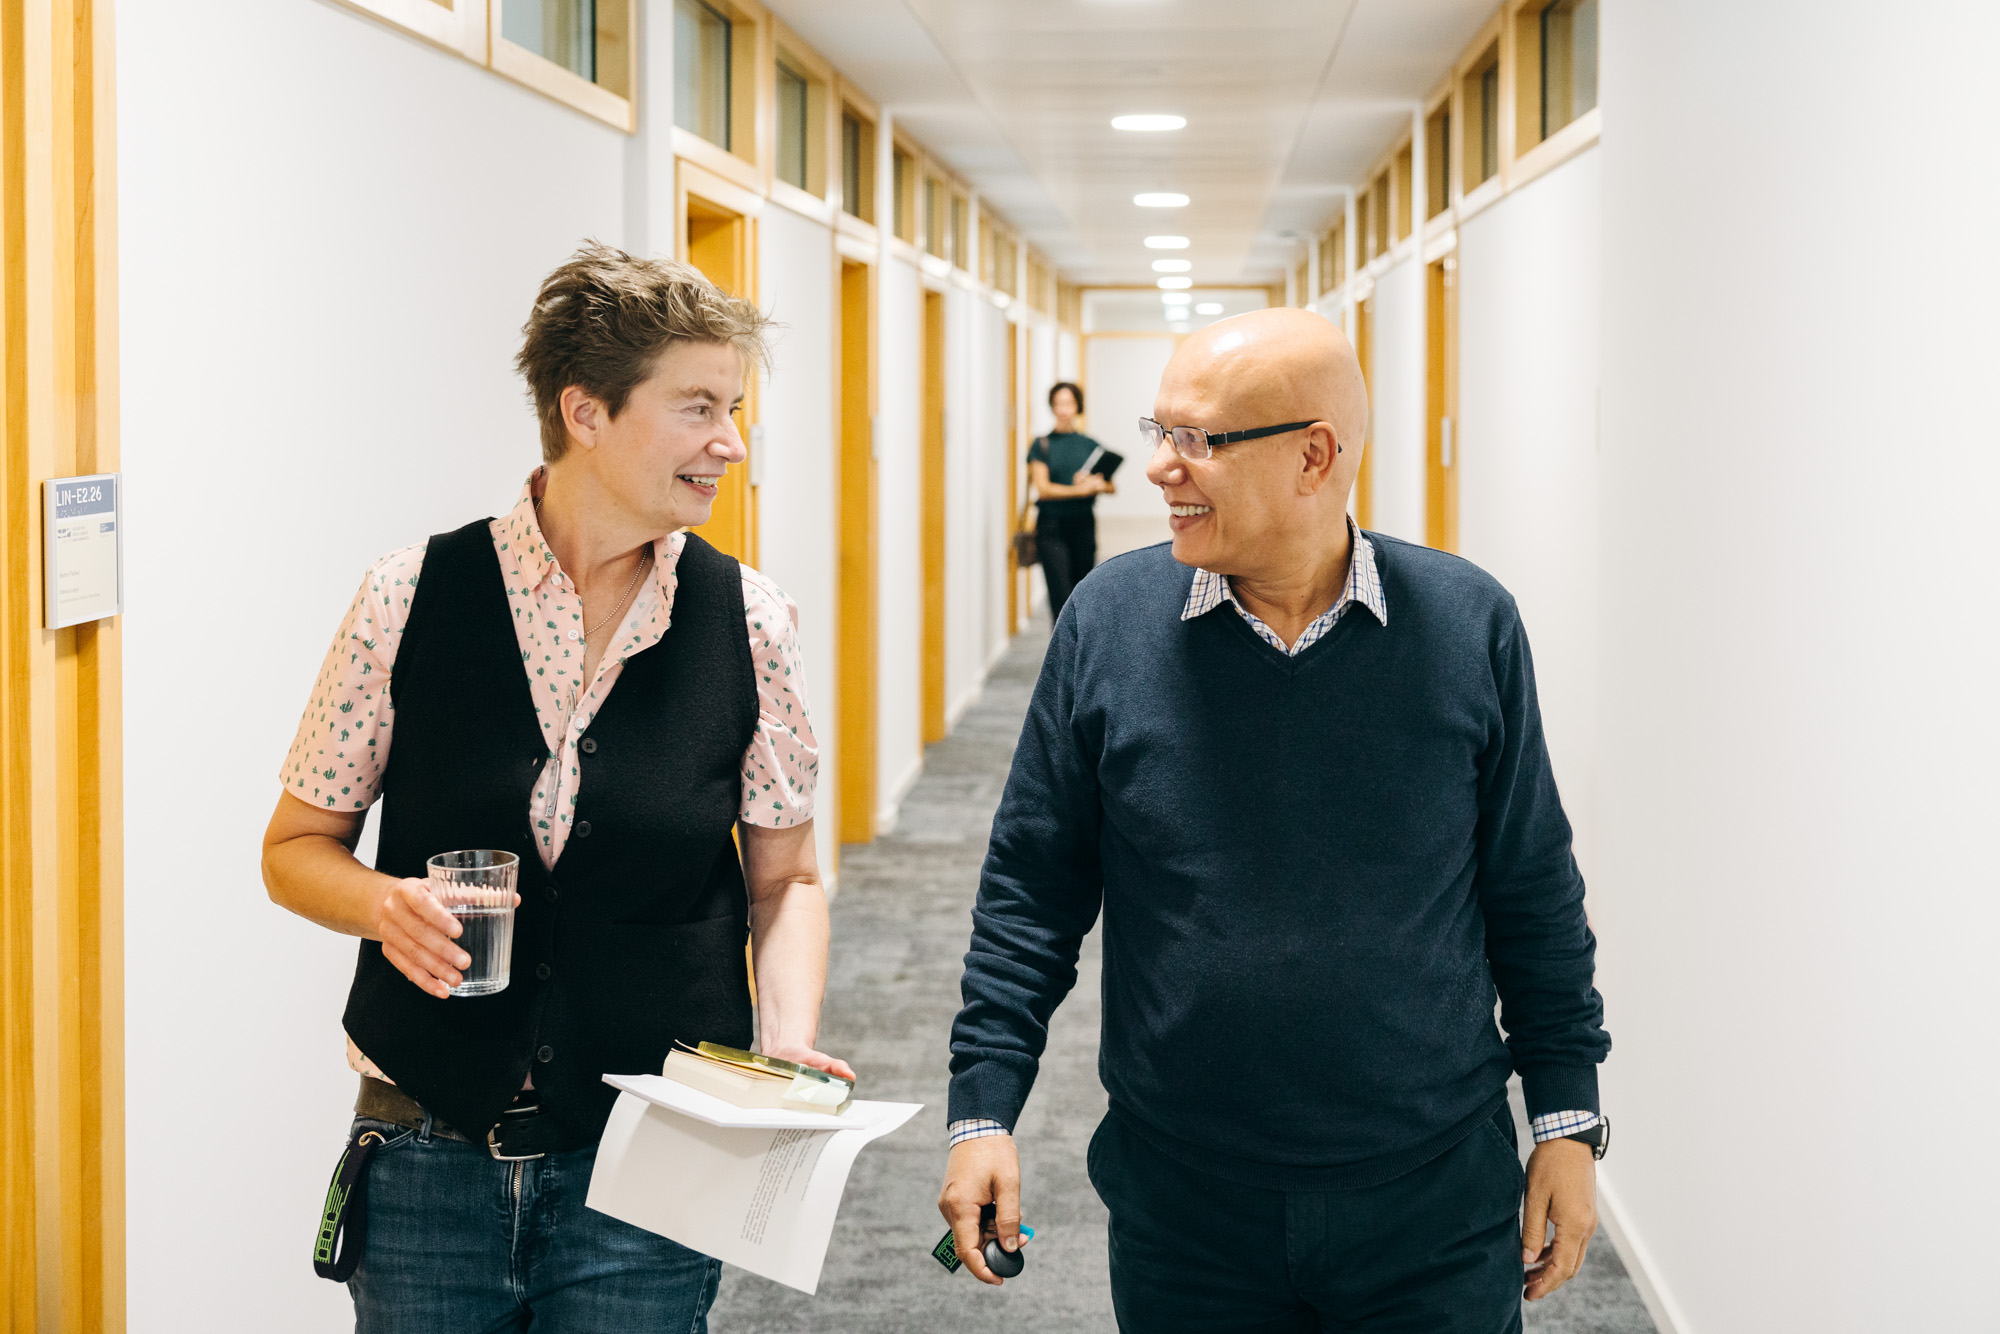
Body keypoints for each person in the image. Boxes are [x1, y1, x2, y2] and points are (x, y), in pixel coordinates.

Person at [937, 308, 1610, 1332]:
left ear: (1313, 455)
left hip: (1431, 1198)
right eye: (1158, 429)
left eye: (1196, 438)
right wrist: (982, 1105)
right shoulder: (1107, 623)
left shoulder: (1467, 622)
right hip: (1186, 1206)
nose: (1158, 466)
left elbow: (1531, 886)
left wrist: (1565, 1112)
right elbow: (1031, 890)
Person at [262, 243, 852, 1332]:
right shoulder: (409, 595)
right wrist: (384, 904)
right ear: (585, 412)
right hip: (425, 1153)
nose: (730, 441)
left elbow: (787, 881)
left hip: (655, 1153)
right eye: (698, 408)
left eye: (732, 408)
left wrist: (784, 1039)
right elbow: (294, 848)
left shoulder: (750, 621)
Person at [1026, 381, 1114, 620]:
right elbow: (1043, 489)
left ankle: (1081, 643)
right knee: (1060, 594)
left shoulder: (1090, 445)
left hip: (1083, 525)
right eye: (1058, 404)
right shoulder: (1041, 445)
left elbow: (1110, 485)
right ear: (1052, 407)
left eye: (1068, 403)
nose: (1063, 409)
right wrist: (1081, 491)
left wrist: (1096, 484)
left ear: (1077, 406)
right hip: (1052, 527)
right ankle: (1061, 644)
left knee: (1083, 592)